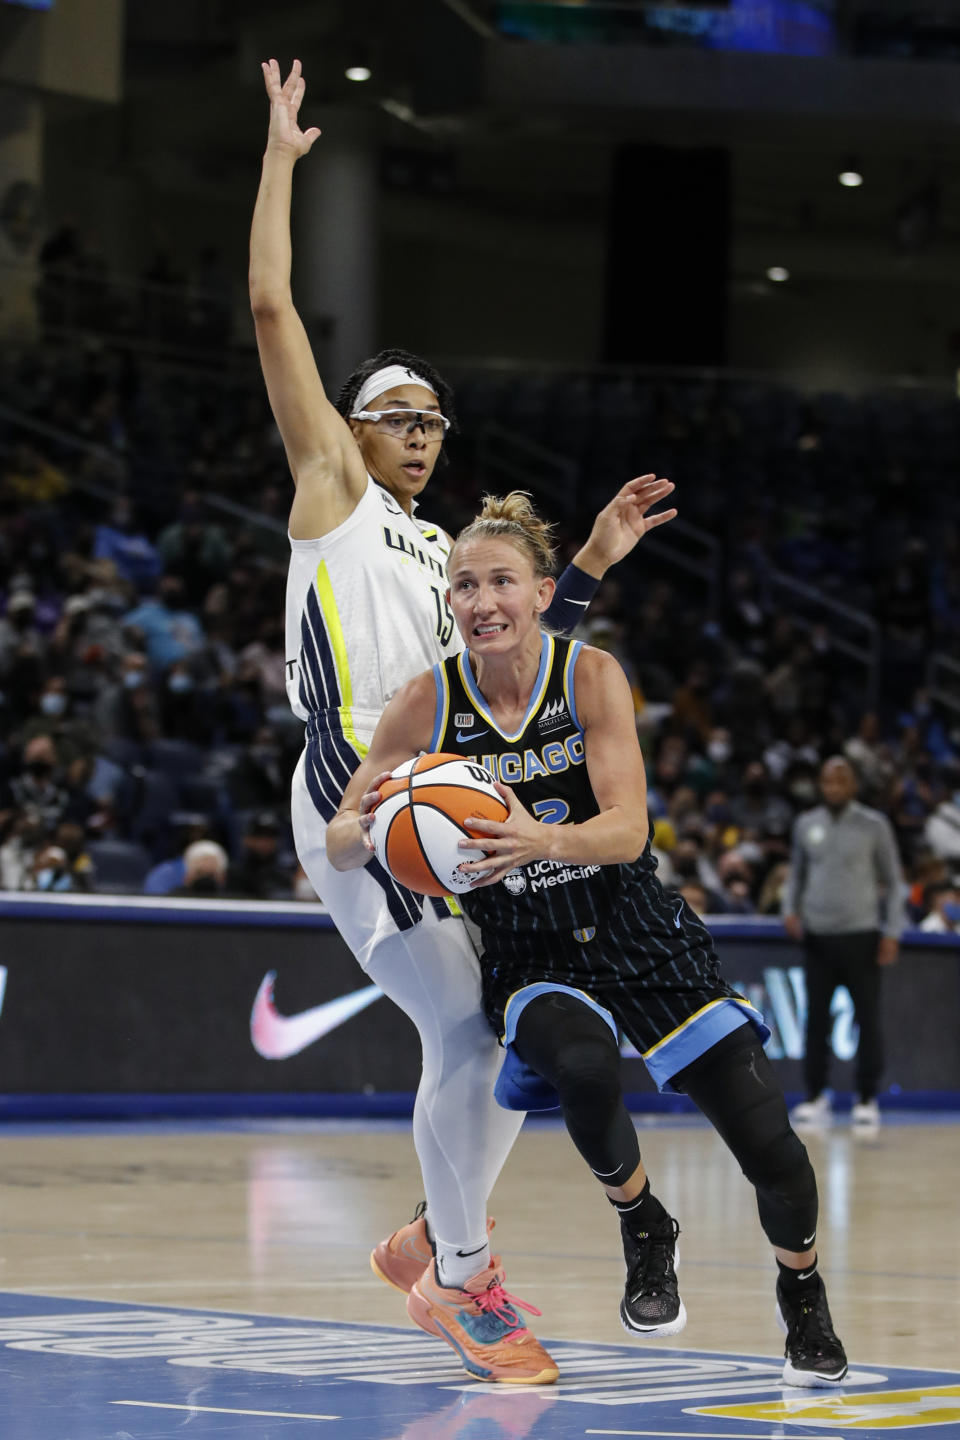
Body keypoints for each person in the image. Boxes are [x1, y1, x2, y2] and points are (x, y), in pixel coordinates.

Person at [250, 58, 679, 1385]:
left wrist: (593, 563)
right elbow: (271, 307)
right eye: (396, 415)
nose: (419, 433)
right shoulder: (333, 494)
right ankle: (462, 1274)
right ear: (352, 430)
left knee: (492, 1035)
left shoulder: (446, 549)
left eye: (432, 418)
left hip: (445, 790)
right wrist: (281, 160)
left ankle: (438, 1251)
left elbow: (521, 663)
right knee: (467, 1026)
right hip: (359, 796)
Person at [328, 493, 848, 1389]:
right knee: (583, 1067)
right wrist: (371, 821)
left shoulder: (590, 675)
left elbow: (629, 831)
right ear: (448, 603)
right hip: (531, 952)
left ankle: (802, 1296)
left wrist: (543, 839)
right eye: (463, 586)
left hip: (637, 929)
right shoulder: (426, 701)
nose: (481, 600)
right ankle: (645, 1223)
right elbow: (340, 834)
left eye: (500, 582)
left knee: (774, 1151)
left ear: (540, 593)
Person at [783, 756, 905, 1130]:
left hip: (861, 936)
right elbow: (797, 873)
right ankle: (816, 1096)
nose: (833, 788)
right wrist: (790, 909)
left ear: (852, 785)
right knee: (814, 1020)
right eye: (827, 782)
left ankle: (866, 1098)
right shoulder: (807, 824)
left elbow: (896, 882)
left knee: (867, 1019)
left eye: (840, 782)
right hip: (818, 937)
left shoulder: (874, 825)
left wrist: (892, 931)